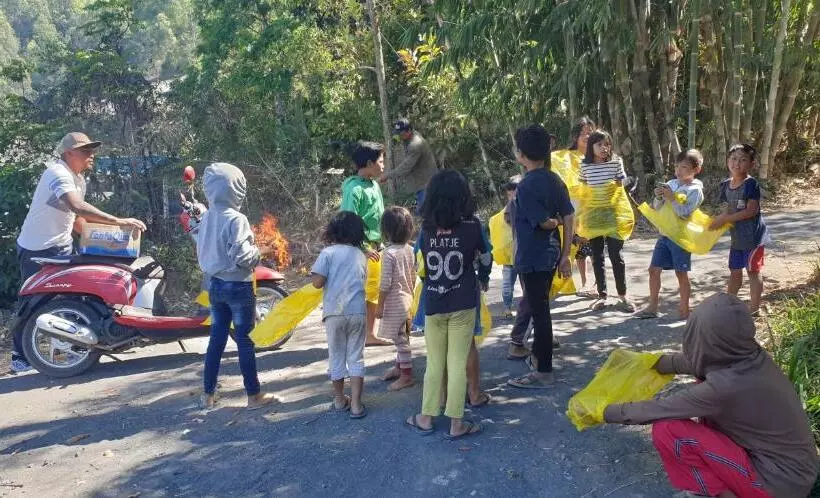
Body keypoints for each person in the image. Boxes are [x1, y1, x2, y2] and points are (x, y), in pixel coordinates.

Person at [604, 293, 818, 498]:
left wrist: (601, 411)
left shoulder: (725, 386)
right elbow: (699, 362)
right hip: (796, 474)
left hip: (777, 486)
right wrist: (645, 362)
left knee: (669, 431)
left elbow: (658, 410)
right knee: (701, 380)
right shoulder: (748, 355)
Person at [12, 132, 147, 373]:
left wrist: (107, 243)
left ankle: (82, 345)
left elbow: (74, 218)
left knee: (78, 295)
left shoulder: (78, 180)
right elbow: (75, 205)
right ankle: (19, 355)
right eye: (85, 151)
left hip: (62, 245)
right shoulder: (57, 173)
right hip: (37, 247)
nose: (91, 155)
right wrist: (118, 221)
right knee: (32, 302)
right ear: (69, 153)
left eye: (92, 150)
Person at [405, 170, 491, 438]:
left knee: (434, 362)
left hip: (434, 302)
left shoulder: (426, 230)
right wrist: (483, 277)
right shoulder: (473, 226)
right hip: (464, 302)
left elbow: (420, 264)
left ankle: (426, 417)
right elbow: (486, 257)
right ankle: (457, 424)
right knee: (457, 364)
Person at [196, 163, 276, 410]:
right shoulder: (237, 219)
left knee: (216, 340)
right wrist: (260, 251)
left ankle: (208, 395)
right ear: (236, 189)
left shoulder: (207, 216)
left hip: (215, 285)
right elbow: (243, 257)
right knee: (244, 341)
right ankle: (253, 396)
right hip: (238, 287)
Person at [506, 125, 574, 388]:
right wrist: (565, 254)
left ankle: (543, 370)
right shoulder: (556, 180)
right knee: (541, 308)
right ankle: (538, 357)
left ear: (521, 155)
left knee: (540, 312)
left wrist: (552, 222)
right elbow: (568, 216)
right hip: (550, 255)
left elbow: (545, 222)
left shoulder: (524, 187)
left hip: (532, 258)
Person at [311, 211, 370, 419]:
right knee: (356, 357)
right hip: (358, 313)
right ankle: (356, 404)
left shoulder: (327, 253)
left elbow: (317, 283)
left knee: (336, 356)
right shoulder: (361, 255)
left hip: (334, 314)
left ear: (333, 230)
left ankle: (339, 399)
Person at [637, 149, 705, 320]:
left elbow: (685, 213)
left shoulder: (695, 190)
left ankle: (684, 309)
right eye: (677, 166)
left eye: (684, 167)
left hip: (680, 238)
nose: (679, 170)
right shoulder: (672, 184)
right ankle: (652, 306)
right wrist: (659, 197)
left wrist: (673, 198)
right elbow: (657, 207)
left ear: (696, 170)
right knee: (653, 270)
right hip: (664, 235)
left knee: (680, 273)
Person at [579, 130, 636, 313]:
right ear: (591, 147)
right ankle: (602, 296)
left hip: (614, 214)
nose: (604, 148)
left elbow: (620, 187)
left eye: (607, 144)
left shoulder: (616, 162)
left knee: (615, 255)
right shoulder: (584, 166)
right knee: (597, 257)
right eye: (599, 145)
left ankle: (623, 296)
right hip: (594, 215)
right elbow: (583, 191)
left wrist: (628, 182)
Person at [709, 144, 770, 315]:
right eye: (734, 159)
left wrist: (725, 219)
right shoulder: (726, 185)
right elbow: (726, 209)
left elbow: (751, 211)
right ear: (727, 161)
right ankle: (730, 304)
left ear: (752, 164)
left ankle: (754, 308)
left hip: (753, 239)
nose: (737, 163)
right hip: (737, 239)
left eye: (743, 160)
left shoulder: (751, 184)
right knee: (734, 271)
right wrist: (715, 221)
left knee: (753, 271)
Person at [340, 141, 391, 346]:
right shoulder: (353, 189)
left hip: (376, 247)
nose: (383, 165)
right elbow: (349, 221)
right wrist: (364, 247)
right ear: (369, 163)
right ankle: (363, 334)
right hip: (363, 249)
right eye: (380, 161)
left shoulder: (374, 185)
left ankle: (369, 333)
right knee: (362, 293)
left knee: (373, 292)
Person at [552, 116, 596, 297]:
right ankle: (582, 283)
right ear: (575, 136)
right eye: (583, 133)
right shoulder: (563, 157)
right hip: (572, 208)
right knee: (575, 248)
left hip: (593, 208)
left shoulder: (598, 157)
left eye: (590, 133)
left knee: (594, 246)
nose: (587, 137)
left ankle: (595, 283)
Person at [376, 206, 417, 392]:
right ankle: (399, 368)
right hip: (408, 300)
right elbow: (414, 275)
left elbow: (385, 284)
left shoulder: (388, 254)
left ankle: (406, 376)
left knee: (401, 340)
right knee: (403, 337)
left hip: (395, 304)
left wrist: (379, 306)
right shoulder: (410, 249)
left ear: (386, 231)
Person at [379, 118, 438, 213]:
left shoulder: (415, 144)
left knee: (425, 214)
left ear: (409, 130)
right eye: (397, 133)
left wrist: (387, 175)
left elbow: (405, 167)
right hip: (422, 182)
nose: (399, 136)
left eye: (401, 133)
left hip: (426, 183)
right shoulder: (409, 137)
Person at [499, 178, 520, 318]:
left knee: (525, 283)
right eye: (509, 195)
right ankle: (507, 308)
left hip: (520, 252)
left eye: (515, 193)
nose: (512, 197)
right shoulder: (508, 209)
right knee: (508, 283)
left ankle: (528, 307)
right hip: (510, 253)